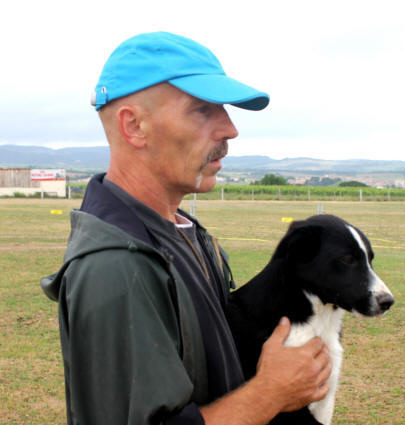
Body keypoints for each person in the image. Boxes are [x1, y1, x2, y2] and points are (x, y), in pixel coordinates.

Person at [41, 31, 331, 425]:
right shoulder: (117, 265)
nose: (230, 129)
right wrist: (269, 393)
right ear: (134, 126)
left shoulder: (183, 232)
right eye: (202, 110)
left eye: (224, 110)